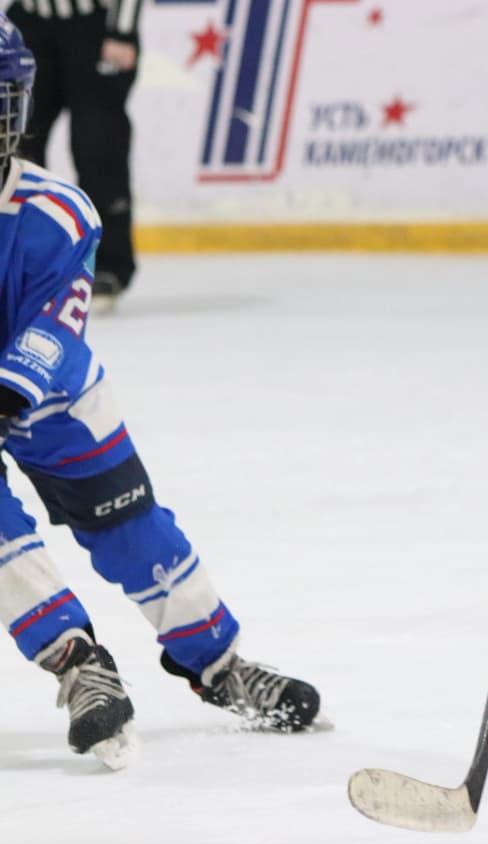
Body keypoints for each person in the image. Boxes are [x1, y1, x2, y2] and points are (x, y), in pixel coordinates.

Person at [0, 14, 320, 771]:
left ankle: (221, 665)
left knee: (133, 530)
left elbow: (55, 328)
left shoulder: (57, 213)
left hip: (56, 404)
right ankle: (79, 663)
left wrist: (9, 392)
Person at [6, 0, 139, 311]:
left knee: (98, 145)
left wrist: (123, 30)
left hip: (94, 24)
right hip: (29, 23)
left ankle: (106, 266)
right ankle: (21, 263)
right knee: (16, 145)